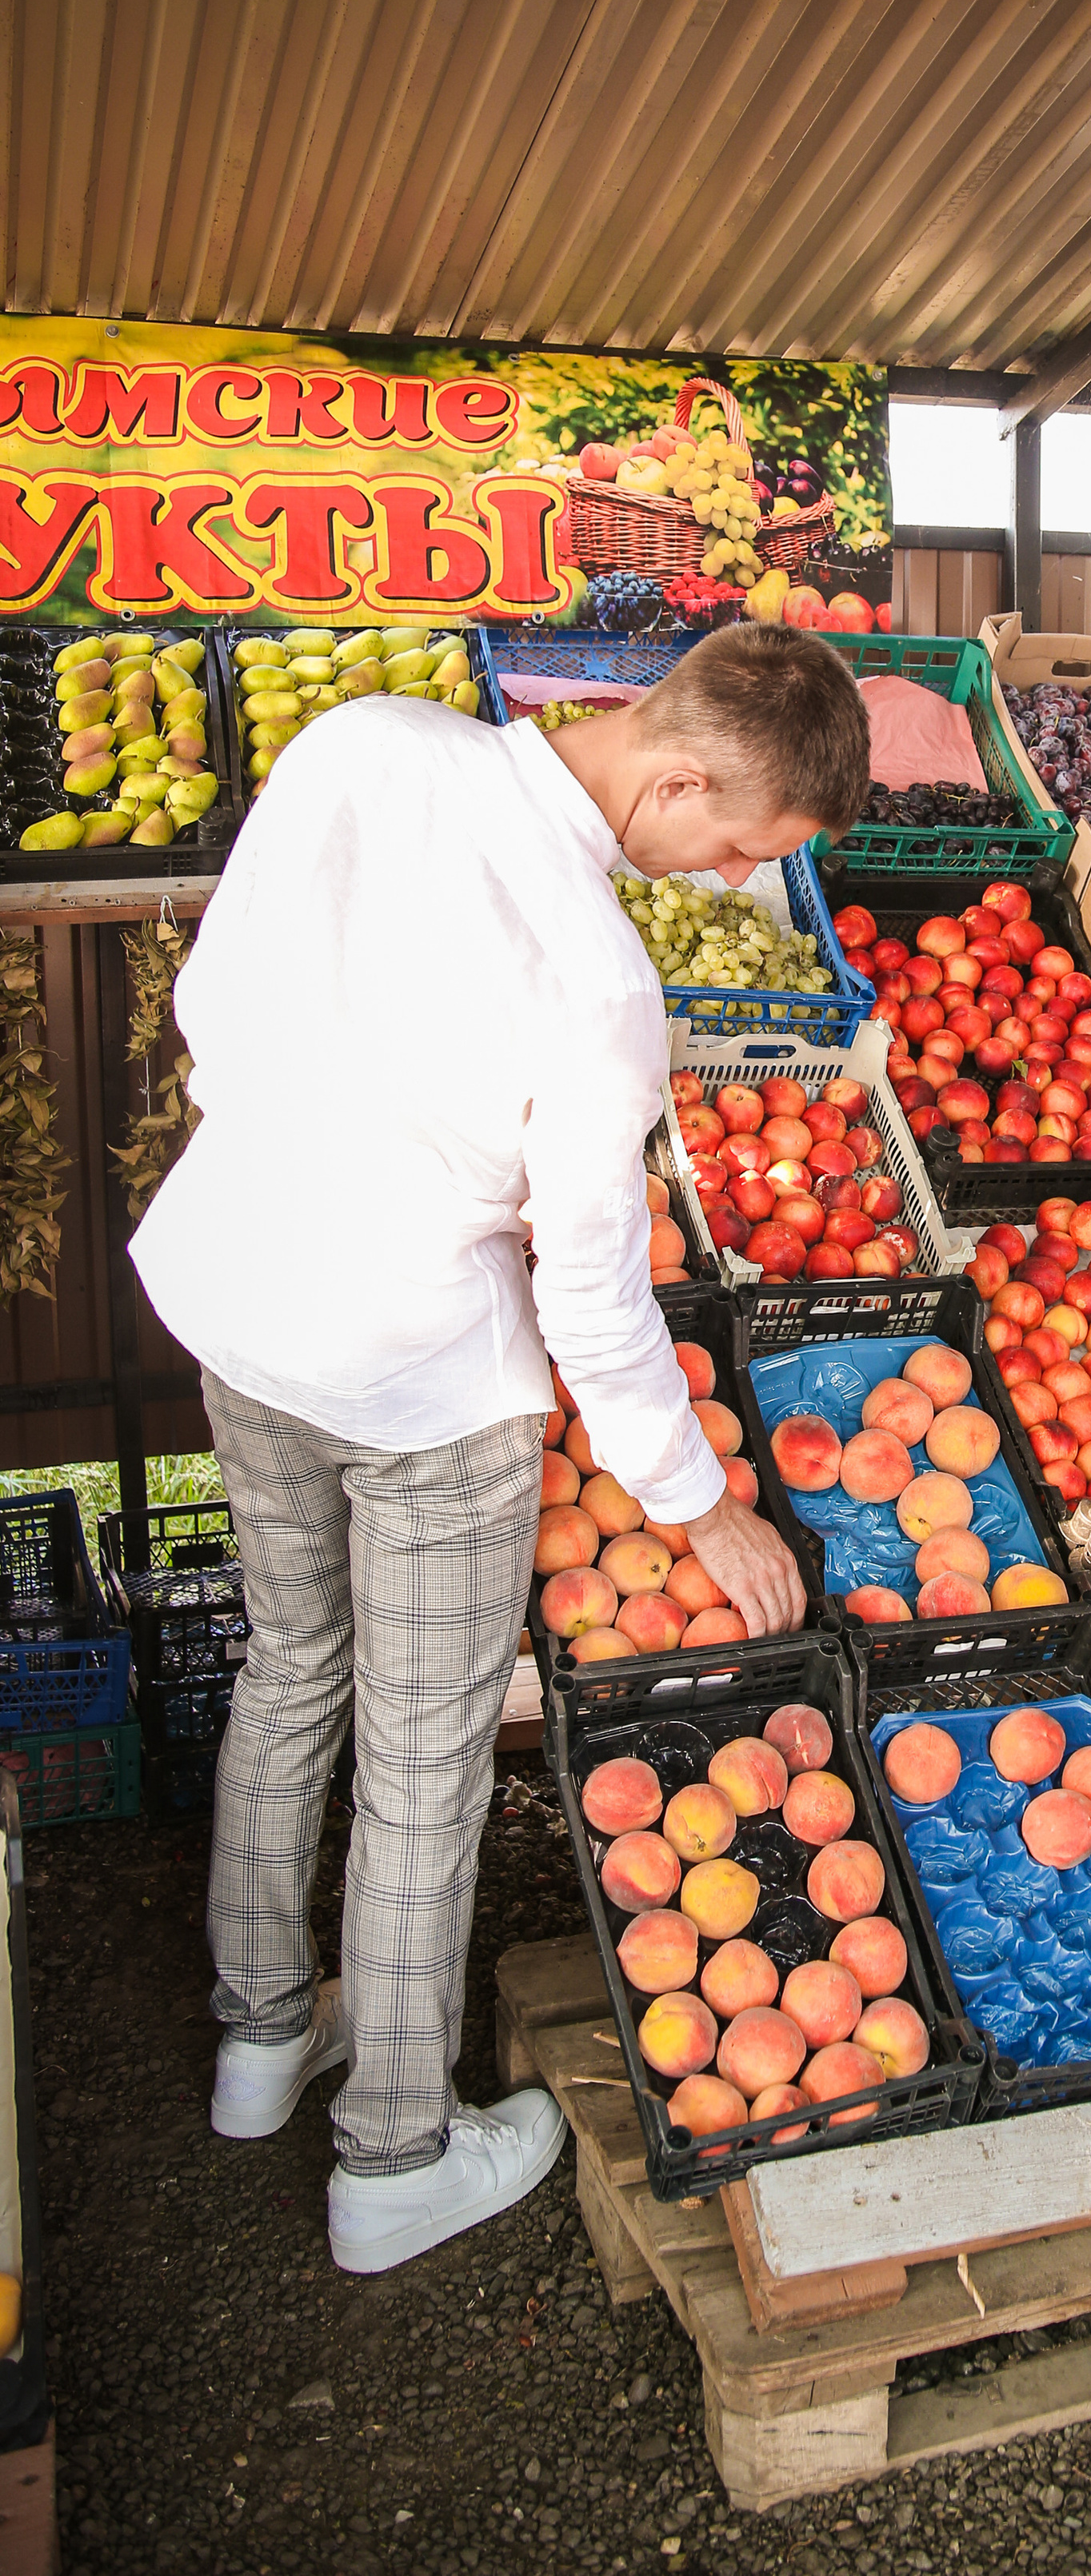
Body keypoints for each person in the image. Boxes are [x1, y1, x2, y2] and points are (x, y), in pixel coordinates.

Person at [132, 625, 871, 2273]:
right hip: (417, 1386)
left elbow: (212, 993)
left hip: (242, 1295)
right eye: (738, 846)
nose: (733, 877)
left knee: (289, 1664)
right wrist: (700, 1506)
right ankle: (393, 2157)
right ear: (679, 779)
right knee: (419, 1768)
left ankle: (262, 2038)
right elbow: (594, 1301)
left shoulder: (366, 743)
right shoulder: (599, 981)